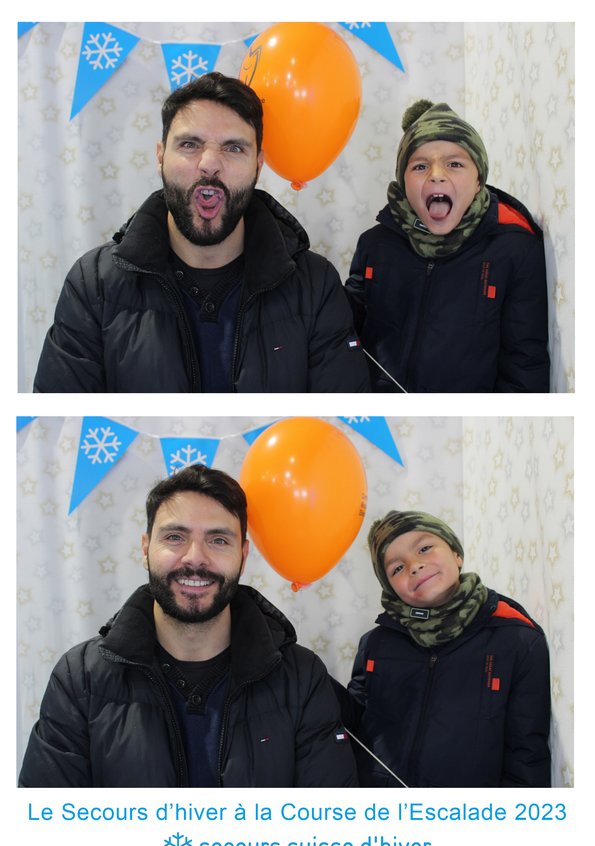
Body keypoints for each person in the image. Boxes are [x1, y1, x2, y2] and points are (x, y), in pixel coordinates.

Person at [19, 465, 357, 787]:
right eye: (175, 537)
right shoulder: (80, 678)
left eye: (218, 540)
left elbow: (326, 819)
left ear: (243, 555)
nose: (195, 557)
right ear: (145, 548)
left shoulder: (301, 677)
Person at [33, 72, 369, 393]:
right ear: (160, 156)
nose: (210, 163)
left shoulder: (315, 285)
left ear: (258, 165)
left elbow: (338, 422)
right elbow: (64, 423)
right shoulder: (94, 284)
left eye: (233, 148)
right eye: (190, 144)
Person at [346, 99, 550, 392]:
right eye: (420, 166)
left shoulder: (515, 250)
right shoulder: (374, 244)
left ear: (478, 180)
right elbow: (344, 336)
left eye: (454, 164)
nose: (436, 174)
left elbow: (524, 364)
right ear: (403, 183)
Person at [335, 511, 551, 787]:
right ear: (390, 588)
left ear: (456, 554)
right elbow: (355, 725)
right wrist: (314, 675)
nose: (414, 566)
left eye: (424, 548)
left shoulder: (516, 639)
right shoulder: (376, 643)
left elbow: (526, 756)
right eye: (397, 568)